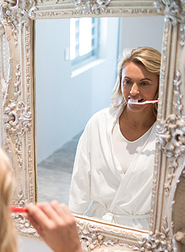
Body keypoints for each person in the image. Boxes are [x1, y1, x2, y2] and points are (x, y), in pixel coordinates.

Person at [69, 46, 161, 230]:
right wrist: (70, 229)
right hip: (96, 230)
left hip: (144, 236)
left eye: (144, 83)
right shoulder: (98, 124)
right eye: (127, 82)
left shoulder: (168, 134)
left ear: (160, 86)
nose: (133, 91)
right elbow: (79, 186)